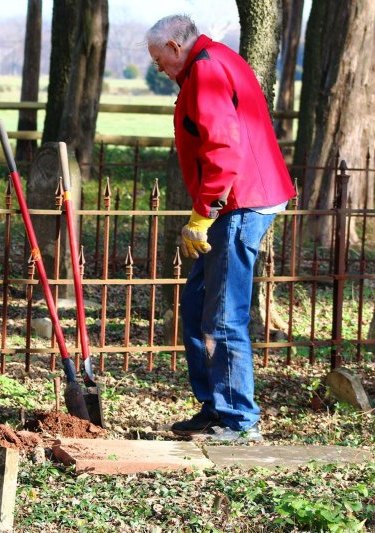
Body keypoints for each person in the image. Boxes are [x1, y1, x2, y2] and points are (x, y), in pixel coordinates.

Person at [146, 15, 295, 442]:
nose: (159, 69)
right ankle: (214, 405)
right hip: (234, 199)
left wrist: (203, 214)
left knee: (223, 316)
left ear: (176, 46)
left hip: (240, 201)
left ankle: (239, 420)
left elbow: (223, 149)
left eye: (159, 60)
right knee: (195, 307)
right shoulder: (212, 59)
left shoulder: (207, 70)